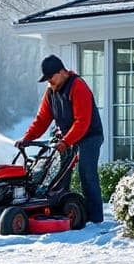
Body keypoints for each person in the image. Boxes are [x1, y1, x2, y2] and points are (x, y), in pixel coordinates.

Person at [16, 54, 104, 224]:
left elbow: (82, 122)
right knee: (59, 174)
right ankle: (62, 212)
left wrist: (65, 142)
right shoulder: (51, 92)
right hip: (67, 138)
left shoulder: (78, 86)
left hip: (90, 136)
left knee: (86, 172)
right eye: (47, 79)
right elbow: (42, 119)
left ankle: (95, 218)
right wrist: (27, 139)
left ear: (62, 72)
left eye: (51, 77)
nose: (49, 82)